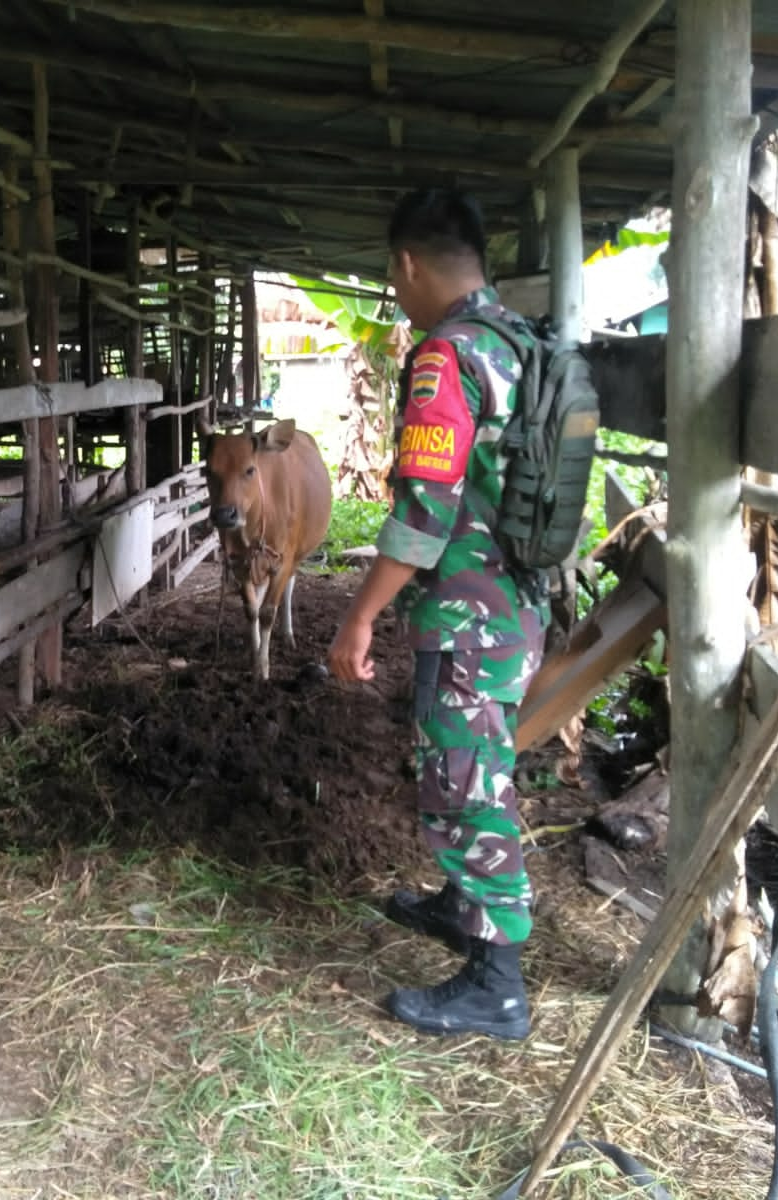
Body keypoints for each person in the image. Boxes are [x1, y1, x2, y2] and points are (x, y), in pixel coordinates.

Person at [327, 189, 546, 1040]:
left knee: (465, 787)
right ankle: (463, 906)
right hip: (520, 602)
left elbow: (423, 514)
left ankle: (497, 983)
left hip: (471, 615)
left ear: (409, 265)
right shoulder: (522, 343)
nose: (395, 287)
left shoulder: (447, 359)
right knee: (477, 765)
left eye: (391, 273)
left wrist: (360, 617)